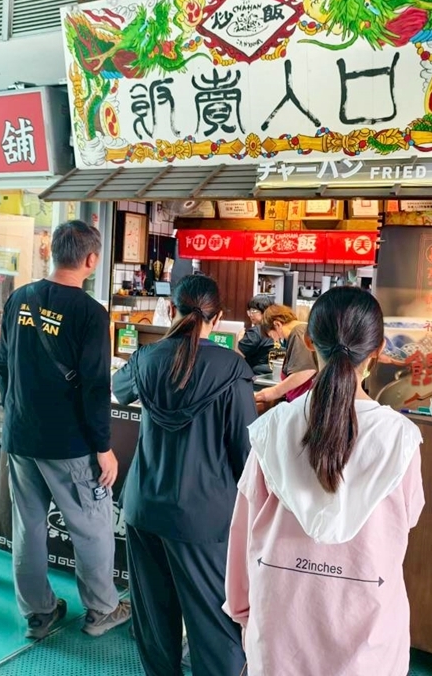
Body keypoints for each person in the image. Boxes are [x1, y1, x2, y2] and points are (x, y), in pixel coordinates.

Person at [225, 287, 425, 676]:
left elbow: (242, 531)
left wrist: (244, 612)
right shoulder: (400, 439)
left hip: (279, 628)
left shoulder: (272, 429)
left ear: (308, 341)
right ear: (378, 349)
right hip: (371, 637)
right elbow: (405, 522)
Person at [0, 221, 130, 640]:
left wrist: (15, 411)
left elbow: (2, 363)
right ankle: (102, 610)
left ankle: (38, 612)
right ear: (91, 259)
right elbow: (95, 386)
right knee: (91, 526)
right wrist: (103, 446)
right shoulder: (90, 312)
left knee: (28, 526)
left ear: (51, 252)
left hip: (20, 436)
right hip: (69, 443)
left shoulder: (19, 298)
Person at [114, 275, 255, 676]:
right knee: (213, 622)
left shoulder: (146, 357)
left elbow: (119, 388)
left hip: (144, 506)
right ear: (218, 318)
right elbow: (245, 451)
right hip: (203, 515)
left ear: (172, 309)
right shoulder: (232, 368)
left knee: (154, 619)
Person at [254, 304, 318, 404]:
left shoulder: (298, 332)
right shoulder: (302, 330)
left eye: (271, 335)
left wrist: (274, 391)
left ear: (277, 324)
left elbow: (306, 370)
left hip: (305, 403)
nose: (275, 340)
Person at [238, 294, 274, 376]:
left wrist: (239, 339)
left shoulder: (255, 332)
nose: (251, 315)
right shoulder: (277, 329)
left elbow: (237, 356)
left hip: (255, 376)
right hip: (274, 374)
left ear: (265, 311)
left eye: (254, 311)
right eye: (249, 311)